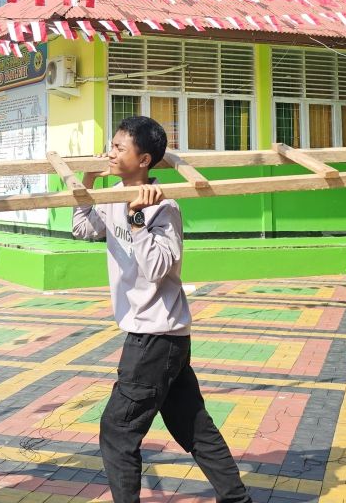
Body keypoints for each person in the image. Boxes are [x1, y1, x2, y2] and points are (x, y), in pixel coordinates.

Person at [73, 116, 253, 503]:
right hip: (158, 337)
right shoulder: (113, 196)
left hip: (155, 337)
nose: (111, 151)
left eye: (120, 147)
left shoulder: (164, 208)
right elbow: (84, 229)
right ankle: (237, 498)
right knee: (194, 428)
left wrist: (138, 219)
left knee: (118, 431)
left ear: (144, 159)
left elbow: (157, 269)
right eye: (112, 144)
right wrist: (86, 182)